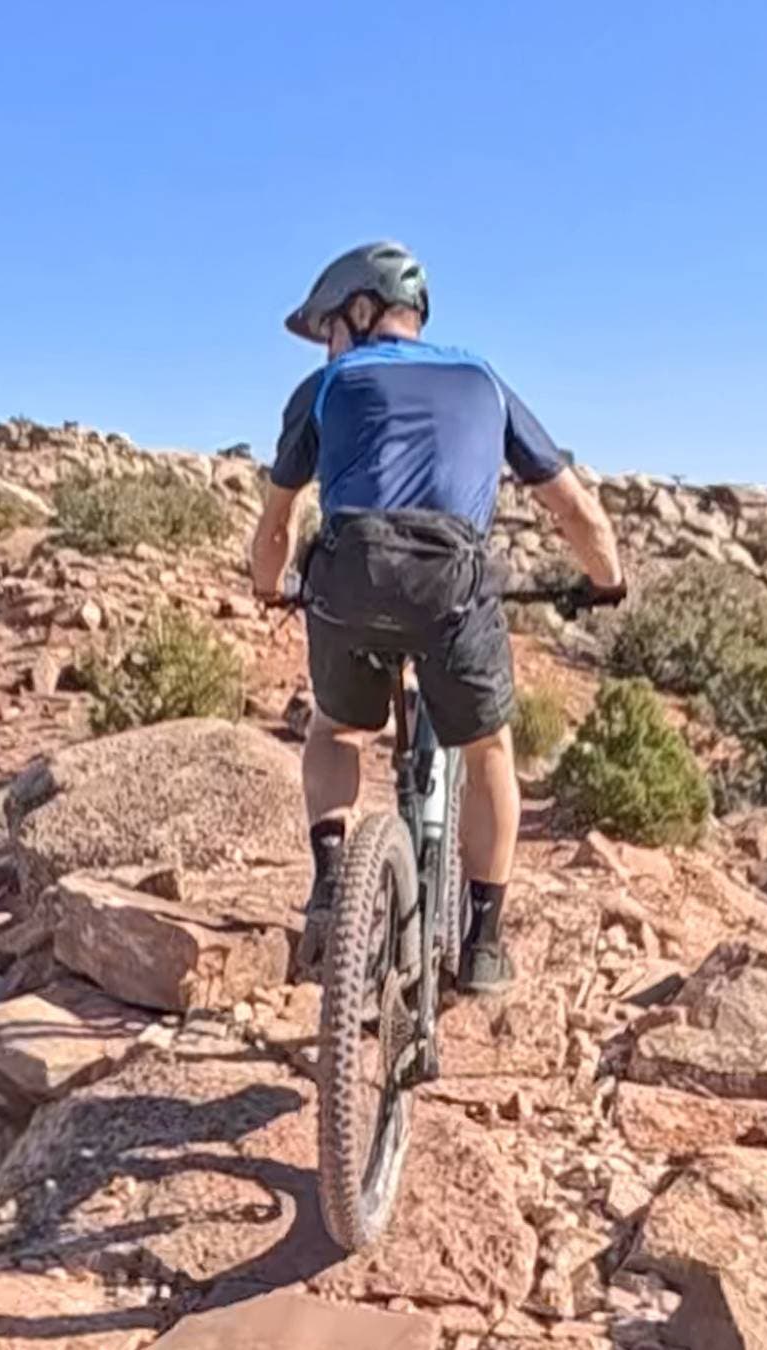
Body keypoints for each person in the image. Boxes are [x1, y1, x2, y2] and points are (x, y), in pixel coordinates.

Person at [250, 241, 626, 996]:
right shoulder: (482, 379)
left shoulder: (325, 388)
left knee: (335, 727)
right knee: (488, 747)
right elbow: (574, 508)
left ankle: (331, 885)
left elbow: (277, 523)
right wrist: (606, 581)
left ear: (360, 311)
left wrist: (269, 587)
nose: (328, 341)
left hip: (349, 576)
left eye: (329, 324)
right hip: (451, 584)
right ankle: (485, 942)